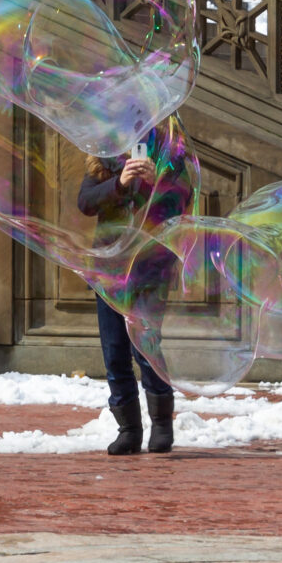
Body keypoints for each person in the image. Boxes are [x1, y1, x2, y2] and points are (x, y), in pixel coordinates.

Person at [76, 128, 191, 455]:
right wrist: (121, 182)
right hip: (109, 272)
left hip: (149, 270)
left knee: (146, 348)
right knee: (115, 353)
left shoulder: (168, 160)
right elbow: (85, 202)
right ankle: (128, 429)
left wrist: (154, 182)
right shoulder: (102, 162)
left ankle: (162, 425)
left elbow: (179, 203)